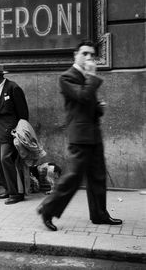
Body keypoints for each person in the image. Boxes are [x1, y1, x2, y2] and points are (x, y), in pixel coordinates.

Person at [37, 40, 122, 231]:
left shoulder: (85, 77)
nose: (89, 58)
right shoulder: (67, 77)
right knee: (73, 177)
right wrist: (92, 77)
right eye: (85, 53)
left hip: (93, 135)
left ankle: (99, 215)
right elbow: (82, 96)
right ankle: (47, 210)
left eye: (92, 55)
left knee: (98, 176)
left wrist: (99, 108)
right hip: (80, 137)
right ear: (75, 55)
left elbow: (88, 105)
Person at [0, 64, 29, 204]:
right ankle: (8, 189)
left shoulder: (13, 88)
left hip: (10, 132)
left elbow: (23, 114)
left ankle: (17, 194)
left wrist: (18, 132)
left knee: (6, 159)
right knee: (1, 161)